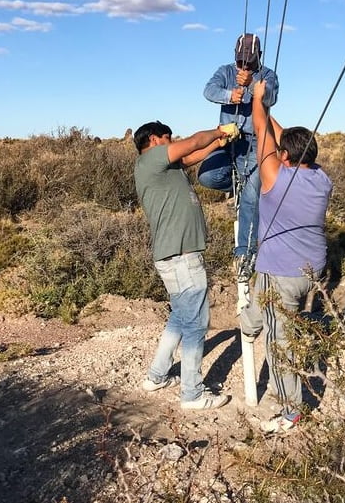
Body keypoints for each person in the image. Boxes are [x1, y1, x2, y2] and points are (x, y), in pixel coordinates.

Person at [240, 80, 332, 433]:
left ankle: (291, 412)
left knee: (279, 344)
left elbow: (262, 131)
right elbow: (275, 136)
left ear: (284, 157)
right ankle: (250, 321)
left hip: (280, 273)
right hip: (311, 271)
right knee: (266, 315)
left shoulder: (274, 178)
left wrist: (257, 102)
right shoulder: (322, 179)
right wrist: (267, 108)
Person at [133, 120, 232, 411]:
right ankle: (192, 393)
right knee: (195, 325)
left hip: (174, 255)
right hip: (182, 256)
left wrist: (217, 144)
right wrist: (219, 132)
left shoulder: (165, 168)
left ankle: (156, 376)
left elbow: (190, 157)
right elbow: (191, 144)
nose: (172, 140)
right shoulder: (151, 157)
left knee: (180, 317)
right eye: (168, 137)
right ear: (154, 139)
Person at [198, 33, 279, 272]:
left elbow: (271, 97)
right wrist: (229, 95)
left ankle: (244, 255)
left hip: (256, 143)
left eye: (249, 60)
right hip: (228, 139)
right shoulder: (224, 71)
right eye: (240, 59)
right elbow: (208, 91)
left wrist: (252, 85)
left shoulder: (268, 75)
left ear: (259, 57)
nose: (244, 64)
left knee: (251, 197)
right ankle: (241, 188)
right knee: (207, 176)